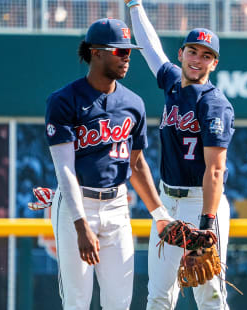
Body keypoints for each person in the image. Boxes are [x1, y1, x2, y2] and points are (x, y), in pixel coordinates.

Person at [115, 0, 235, 310]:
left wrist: (207, 224)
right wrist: (134, 2)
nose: (198, 59)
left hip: (202, 202)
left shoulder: (214, 104)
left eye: (207, 56)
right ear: (182, 53)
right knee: (158, 294)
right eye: (193, 51)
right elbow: (151, 49)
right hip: (167, 202)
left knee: (210, 295)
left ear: (214, 64)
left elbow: (215, 171)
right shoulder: (171, 80)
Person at [45, 18, 174, 309]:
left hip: (117, 205)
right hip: (76, 206)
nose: (127, 57)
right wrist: (80, 226)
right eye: (119, 51)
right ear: (96, 52)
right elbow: (64, 167)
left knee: (119, 302)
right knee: (77, 302)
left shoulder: (134, 103)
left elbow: (137, 166)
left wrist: (160, 214)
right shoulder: (64, 100)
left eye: (129, 51)